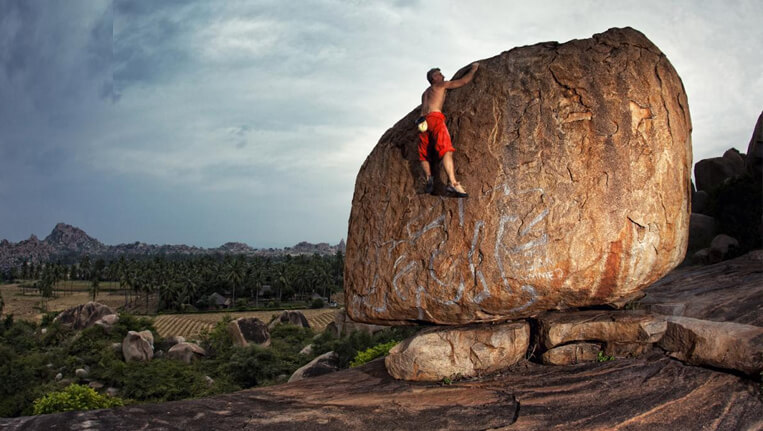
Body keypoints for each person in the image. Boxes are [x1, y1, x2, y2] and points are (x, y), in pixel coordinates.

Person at [417, 63, 479, 197]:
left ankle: (428, 177)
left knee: (423, 153)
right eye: (439, 74)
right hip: (435, 118)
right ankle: (453, 184)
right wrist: (473, 69)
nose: (443, 76)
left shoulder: (425, 93)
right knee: (446, 150)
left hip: (422, 122)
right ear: (434, 77)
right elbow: (463, 81)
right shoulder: (440, 85)